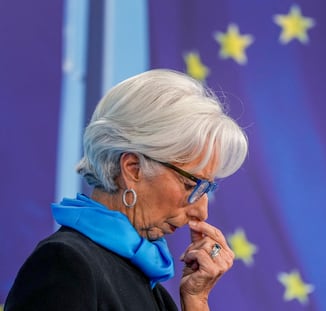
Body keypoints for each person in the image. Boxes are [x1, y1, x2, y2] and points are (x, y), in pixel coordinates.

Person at [5, 69, 248, 310]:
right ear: (133, 169)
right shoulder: (63, 264)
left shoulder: (151, 288)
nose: (201, 212)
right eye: (190, 184)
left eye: (207, 189)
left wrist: (196, 299)